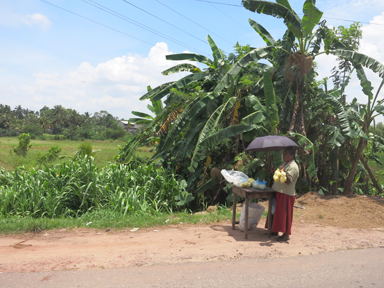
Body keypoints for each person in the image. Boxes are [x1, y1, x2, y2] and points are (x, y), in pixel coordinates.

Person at [266, 147, 299, 241]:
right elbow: (278, 177)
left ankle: (285, 234)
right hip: (278, 191)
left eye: (286, 154)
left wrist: (283, 172)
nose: (283, 156)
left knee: (285, 214)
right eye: (283, 154)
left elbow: (288, 181)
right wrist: (274, 172)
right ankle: (274, 230)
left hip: (286, 193)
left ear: (292, 155)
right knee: (276, 212)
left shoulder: (293, 166)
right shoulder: (284, 164)